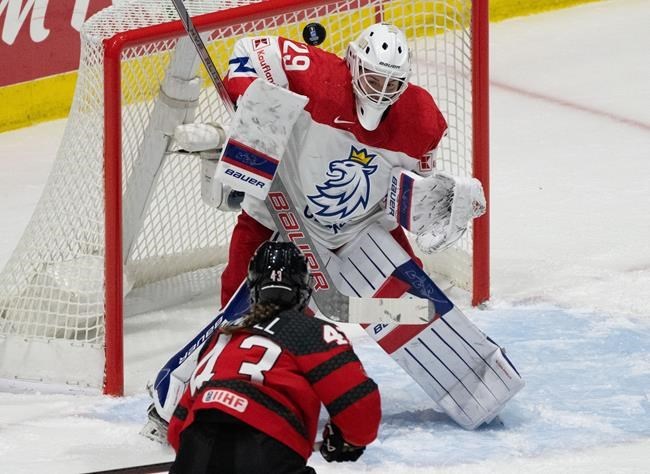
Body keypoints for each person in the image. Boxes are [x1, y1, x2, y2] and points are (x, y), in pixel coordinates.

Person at [167, 241, 381, 473]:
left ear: (253, 289)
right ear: (305, 291)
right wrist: (347, 440)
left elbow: (177, 427)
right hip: (267, 448)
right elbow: (359, 404)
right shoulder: (310, 331)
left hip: (195, 446)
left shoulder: (224, 336)